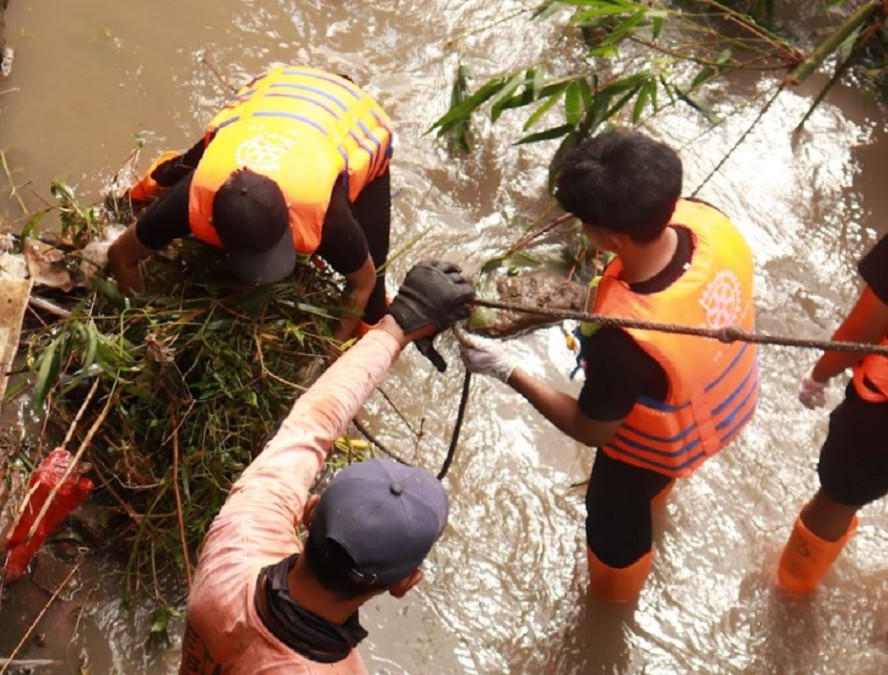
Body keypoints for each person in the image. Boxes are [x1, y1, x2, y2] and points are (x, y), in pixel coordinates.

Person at [458, 130, 759, 603]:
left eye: (583, 222)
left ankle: (611, 611)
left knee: (614, 520)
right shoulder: (708, 221)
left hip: (651, 449)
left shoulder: (621, 341)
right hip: (723, 401)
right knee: (655, 483)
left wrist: (506, 368)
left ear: (611, 236)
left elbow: (591, 429)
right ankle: (658, 508)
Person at [178, 261, 473, 673]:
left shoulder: (240, 540)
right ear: (406, 584)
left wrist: (397, 325)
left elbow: (314, 421)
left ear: (310, 510)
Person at [108, 65, 395, 343]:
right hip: (271, 104)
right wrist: (143, 323)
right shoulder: (194, 196)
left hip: (351, 117)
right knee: (178, 172)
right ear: (211, 222)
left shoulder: (325, 213)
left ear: (290, 219)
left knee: (372, 303)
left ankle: (369, 328)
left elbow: (362, 282)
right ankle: (150, 183)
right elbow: (121, 255)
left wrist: (327, 359)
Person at [777, 232, 888, 594]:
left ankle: (790, 590)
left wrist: (818, 375)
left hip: (881, 419)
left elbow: (862, 331)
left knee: (836, 502)